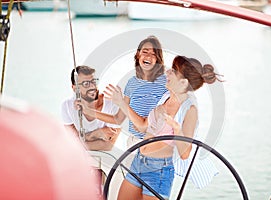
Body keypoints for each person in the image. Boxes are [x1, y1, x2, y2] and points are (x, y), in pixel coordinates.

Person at [103, 55, 221, 199]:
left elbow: (185, 153)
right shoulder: (165, 97)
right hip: (138, 162)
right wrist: (121, 102)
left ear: (183, 83)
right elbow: (142, 126)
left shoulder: (189, 110)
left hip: (158, 171)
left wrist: (176, 129)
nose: (167, 73)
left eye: (173, 71)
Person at [77, 36, 168, 147]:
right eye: (145, 51)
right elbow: (118, 119)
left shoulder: (166, 82)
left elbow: (164, 117)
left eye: (154, 54)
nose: (148, 56)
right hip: (134, 142)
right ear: (138, 54)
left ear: (158, 59)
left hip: (156, 143)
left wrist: (121, 103)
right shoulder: (131, 83)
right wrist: (89, 111)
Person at [61, 65, 121, 151]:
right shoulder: (67, 106)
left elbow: (108, 146)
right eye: (86, 84)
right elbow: (73, 142)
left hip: (107, 158)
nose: (92, 86)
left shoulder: (112, 106)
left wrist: (85, 138)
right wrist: (96, 134)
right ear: (75, 88)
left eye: (93, 81)